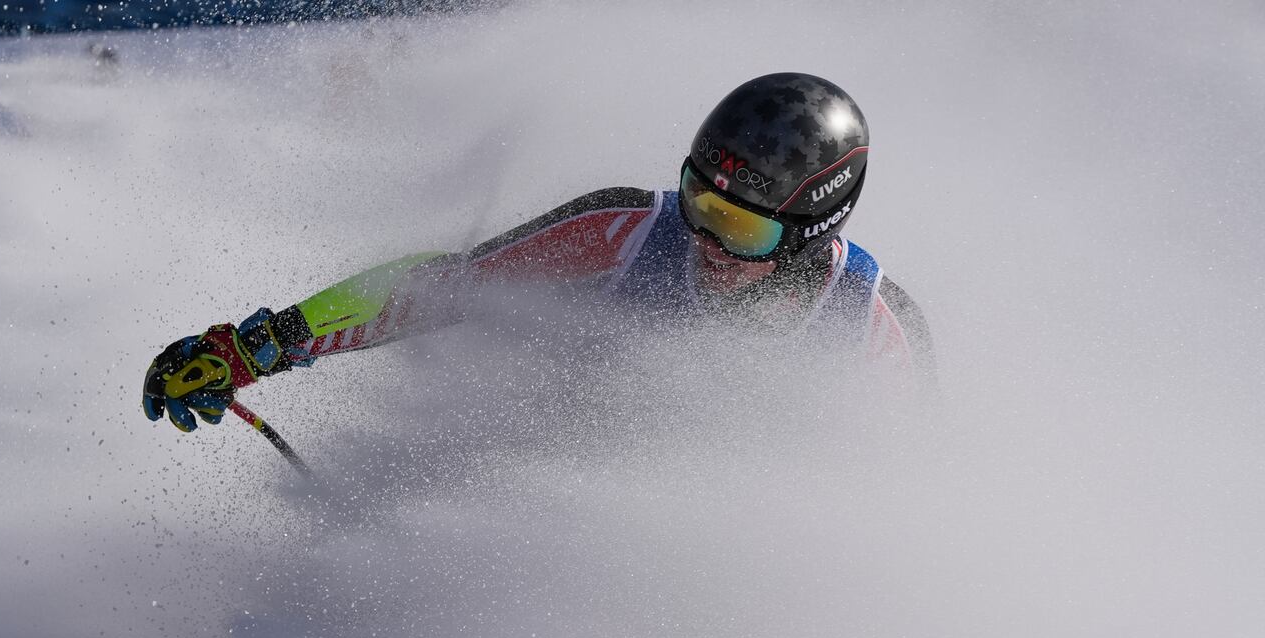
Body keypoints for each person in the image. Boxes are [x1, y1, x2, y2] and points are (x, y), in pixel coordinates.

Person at [141, 72, 932, 435]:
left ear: (811, 234)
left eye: (743, 229)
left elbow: (896, 509)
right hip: (553, 459)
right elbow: (440, 289)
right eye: (701, 203)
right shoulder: (623, 231)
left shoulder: (872, 329)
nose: (707, 243)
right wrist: (262, 344)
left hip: (712, 586)